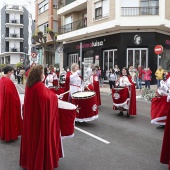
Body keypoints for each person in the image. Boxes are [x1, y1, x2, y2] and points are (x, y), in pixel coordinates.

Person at [20, 65, 63, 170]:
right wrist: (55, 97)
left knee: (32, 140)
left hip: (31, 117)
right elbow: (46, 100)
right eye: (43, 73)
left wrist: (51, 95)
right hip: (39, 120)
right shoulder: (39, 86)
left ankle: (30, 161)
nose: (44, 75)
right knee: (39, 139)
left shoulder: (30, 85)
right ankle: (39, 162)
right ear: (39, 75)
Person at [0, 66, 22, 141]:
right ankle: (10, 135)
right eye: (12, 72)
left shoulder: (2, 80)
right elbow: (11, 94)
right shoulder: (8, 82)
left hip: (3, 103)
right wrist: (17, 102)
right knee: (10, 119)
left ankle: (4, 133)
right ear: (9, 72)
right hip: (9, 104)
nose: (13, 73)